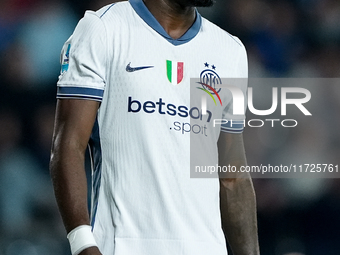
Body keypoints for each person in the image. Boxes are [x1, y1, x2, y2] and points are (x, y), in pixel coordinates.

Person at [50, 0, 260, 254]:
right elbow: (68, 145)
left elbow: (232, 177)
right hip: (123, 245)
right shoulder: (103, 29)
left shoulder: (229, 51)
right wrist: (82, 243)